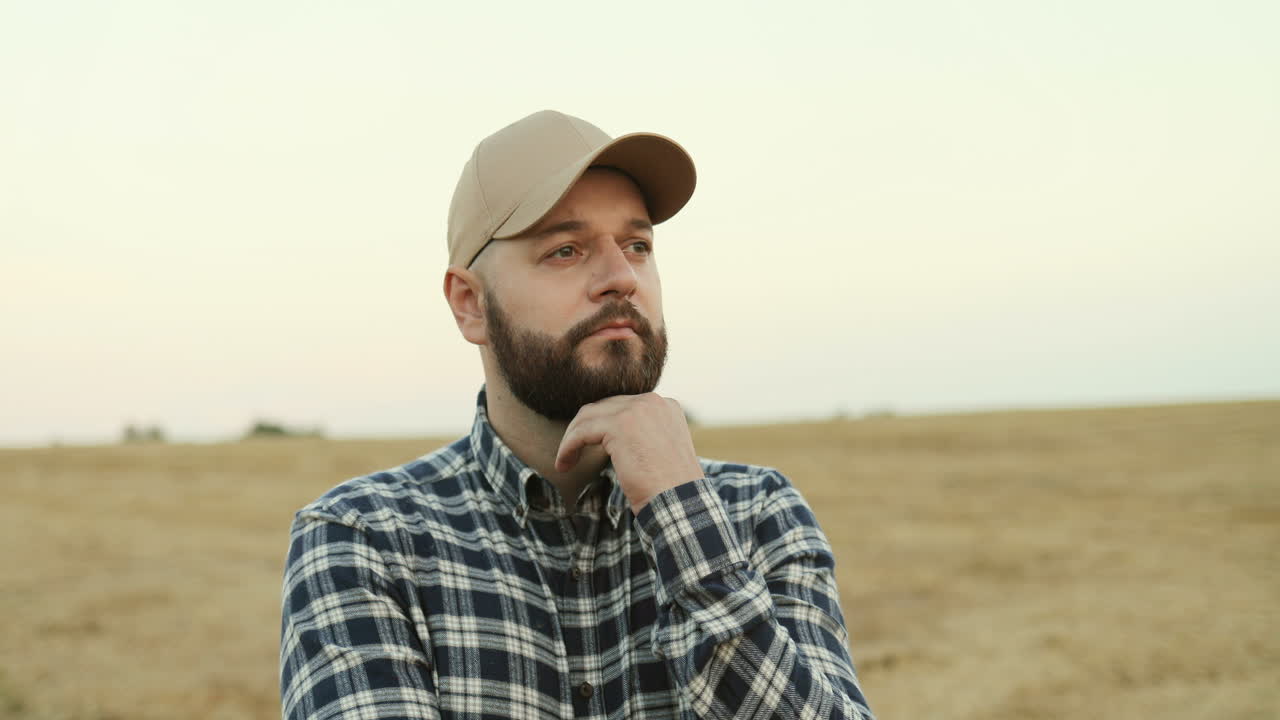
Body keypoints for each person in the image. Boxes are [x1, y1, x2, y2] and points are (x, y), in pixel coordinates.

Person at [279, 110, 875, 720]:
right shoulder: (365, 540)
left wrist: (685, 523)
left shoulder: (756, 515)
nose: (622, 278)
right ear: (470, 304)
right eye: (566, 250)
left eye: (638, 246)